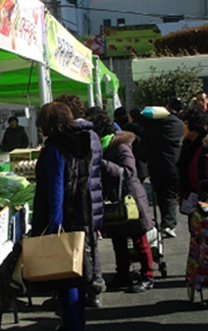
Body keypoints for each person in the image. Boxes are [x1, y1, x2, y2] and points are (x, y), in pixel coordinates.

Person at [31, 101, 94, 331]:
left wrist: (52, 225)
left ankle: (73, 325)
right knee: (76, 272)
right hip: (80, 213)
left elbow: (56, 188)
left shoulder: (55, 149)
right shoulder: (80, 142)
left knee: (66, 275)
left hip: (65, 218)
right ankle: (76, 322)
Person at [86, 106, 156, 293]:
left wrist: (104, 164)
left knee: (139, 238)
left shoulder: (120, 144)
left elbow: (128, 172)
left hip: (130, 198)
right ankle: (123, 273)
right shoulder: (99, 146)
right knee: (118, 239)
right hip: (113, 199)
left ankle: (147, 275)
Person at [55, 94, 105, 307]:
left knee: (79, 245)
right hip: (94, 193)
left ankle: (85, 287)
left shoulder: (72, 135)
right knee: (91, 242)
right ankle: (95, 287)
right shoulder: (92, 134)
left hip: (79, 195)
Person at [139, 98, 184, 238]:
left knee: (161, 195)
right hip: (174, 165)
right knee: (170, 195)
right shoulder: (179, 125)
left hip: (156, 165)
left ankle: (166, 222)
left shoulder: (152, 125)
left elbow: (138, 116)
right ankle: (169, 224)